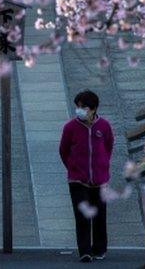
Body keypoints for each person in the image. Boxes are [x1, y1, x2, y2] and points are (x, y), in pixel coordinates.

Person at [59, 89, 114, 262]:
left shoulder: (104, 126)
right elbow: (63, 150)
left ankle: (99, 249)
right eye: (78, 106)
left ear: (93, 108)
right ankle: (85, 251)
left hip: (99, 180)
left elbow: (108, 146)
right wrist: (73, 168)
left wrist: (102, 166)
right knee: (82, 215)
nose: (80, 110)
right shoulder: (70, 127)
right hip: (77, 180)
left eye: (83, 107)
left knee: (99, 215)